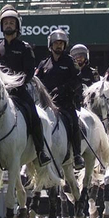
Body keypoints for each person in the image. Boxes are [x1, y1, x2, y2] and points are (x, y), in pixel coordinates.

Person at [0, 6, 52, 163]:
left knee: (34, 115)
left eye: (11, 22)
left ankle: (40, 150)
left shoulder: (25, 48)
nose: (8, 25)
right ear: (1, 26)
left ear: (17, 26)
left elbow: (29, 72)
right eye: (6, 23)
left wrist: (14, 84)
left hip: (18, 92)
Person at [37, 29, 85, 169]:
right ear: (50, 45)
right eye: (56, 43)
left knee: (73, 122)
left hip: (65, 103)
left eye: (61, 44)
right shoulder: (44, 64)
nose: (59, 46)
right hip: (46, 104)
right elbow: (36, 81)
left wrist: (63, 89)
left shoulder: (70, 62)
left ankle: (77, 155)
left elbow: (77, 81)